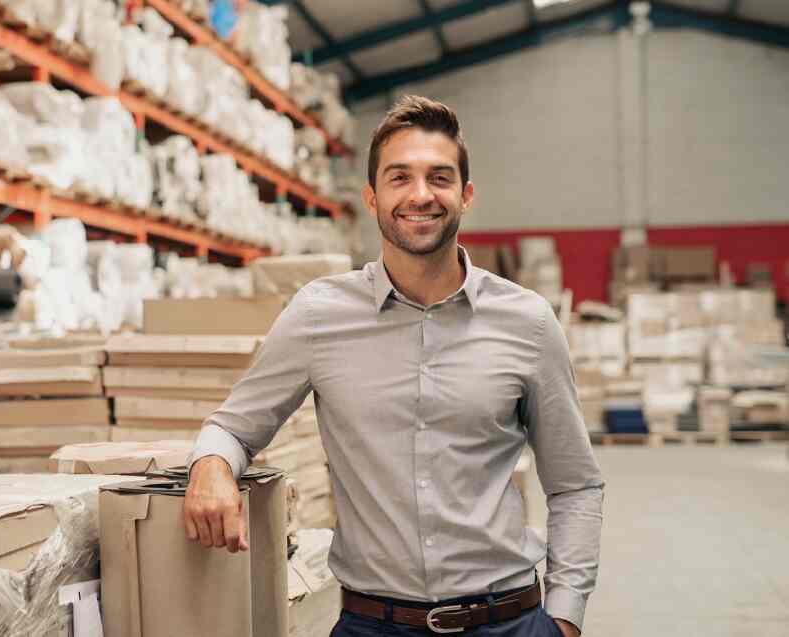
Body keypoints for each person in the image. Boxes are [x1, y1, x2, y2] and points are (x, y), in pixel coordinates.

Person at [183, 95, 603, 636]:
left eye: (440, 177)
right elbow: (234, 426)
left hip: (507, 621)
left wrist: (565, 618)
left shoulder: (528, 322)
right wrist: (209, 468)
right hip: (373, 624)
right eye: (400, 177)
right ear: (372, 197)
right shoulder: (318, 315)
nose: (421, 195)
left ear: (466, 195)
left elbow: (574, 484)